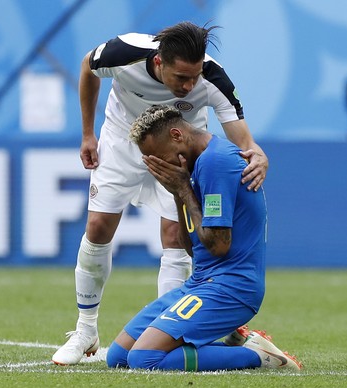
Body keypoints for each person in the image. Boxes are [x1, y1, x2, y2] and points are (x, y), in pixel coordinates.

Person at [52, 21, 269, 366]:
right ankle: (85, 330)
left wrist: (257, 154)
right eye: (181, 78)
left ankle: (172, 331)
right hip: (123, 142)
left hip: (178, 153)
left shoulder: (213, 78)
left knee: (174, 235)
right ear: (158, 63)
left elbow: (244, 141)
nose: (189, 85)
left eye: (194, 77)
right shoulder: (123, 53)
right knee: (97, 228)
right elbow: (87, 67)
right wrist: (87, 134)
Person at [104, 104, 301, 372]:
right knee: (118, 356)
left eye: (161, 157)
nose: (163, 166)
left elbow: (219, 245)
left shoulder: (215, 162)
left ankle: (258, 357)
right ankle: (235, 346)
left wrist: (183, 189)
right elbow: (194, 249)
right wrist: (177, 194)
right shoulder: (196, 165)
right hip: (200, 283)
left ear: (176, 135)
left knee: (144, 358)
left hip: (232, 288)